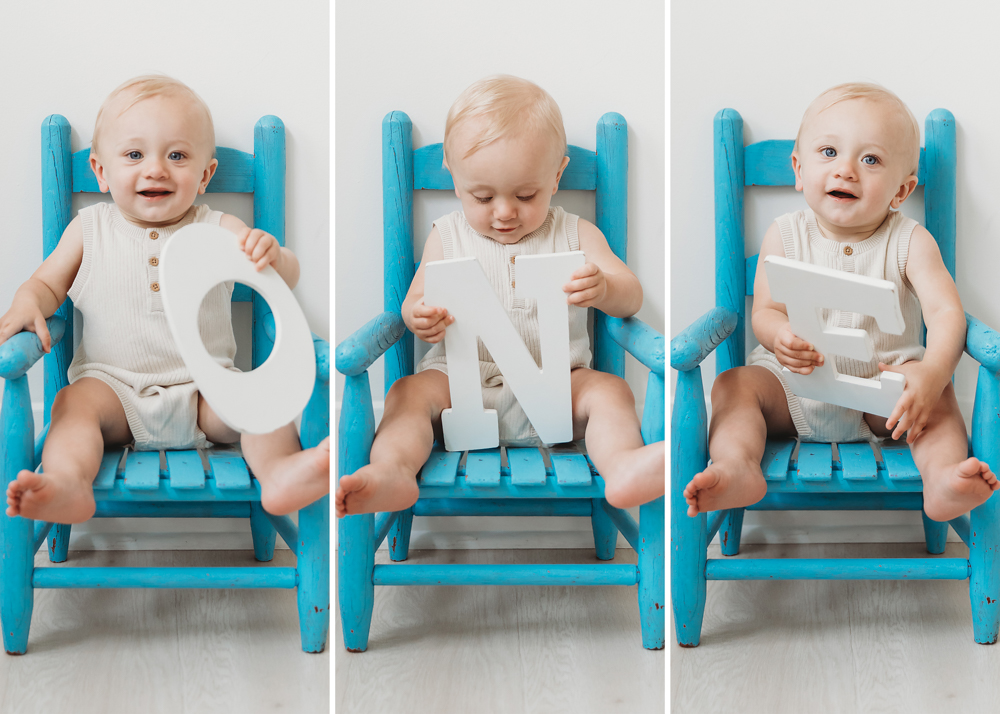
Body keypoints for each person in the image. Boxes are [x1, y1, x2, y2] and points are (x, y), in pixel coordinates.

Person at [1, 75, 329, 524]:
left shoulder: (218, 228)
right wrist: (26, 301)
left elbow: (281, 278)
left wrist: (273, 253)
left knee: (257, 406)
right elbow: (46, 285)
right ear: (100, 171)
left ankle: (280, 474)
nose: (155, 169)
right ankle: (68, 484)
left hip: (205, 390)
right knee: (70, 407)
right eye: (134, 155)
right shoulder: (89, 229)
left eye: (176, 155)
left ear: (205, 175)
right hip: (113, 391)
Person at [335, 75, 664, 517]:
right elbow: (413, 301)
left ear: (557, 176)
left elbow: (632, 297)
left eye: (526, 194)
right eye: (483, 196)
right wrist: (419, 315)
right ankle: (393, 471)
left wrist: (605, 287)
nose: (505, 211)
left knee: (610, 391)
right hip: (459, 384)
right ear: (455, 180)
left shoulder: (575, 233)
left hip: (557, 386)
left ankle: (622, 466)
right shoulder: (446, 236)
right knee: (407, 394)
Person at [684, 82, 998, 522]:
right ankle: (737, 465)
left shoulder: (910, 241)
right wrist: (780, 337)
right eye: (828, 152)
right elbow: (766, 312)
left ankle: (943, 478)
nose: (846, 170)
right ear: (798, 168)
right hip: (794, 387)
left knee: (937, 398)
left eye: (870, 159)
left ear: (901, 192)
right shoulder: (786, 234)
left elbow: (945, 313)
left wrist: (931, 372)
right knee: (732, 386)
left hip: (882, 396)